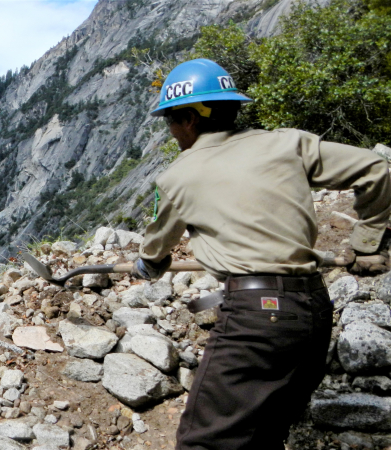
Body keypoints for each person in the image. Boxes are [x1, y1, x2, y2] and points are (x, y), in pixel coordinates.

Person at [131, 58, 391, 449]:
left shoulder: (176, 177)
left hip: (256, 318)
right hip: (314, 311)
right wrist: (366, 240)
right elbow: (377, 167)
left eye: (169, 120)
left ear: (190, 120)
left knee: (205, 442)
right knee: (264, 435)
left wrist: (148, 266)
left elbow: (154, 251)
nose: (170, 131)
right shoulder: (288, 143)